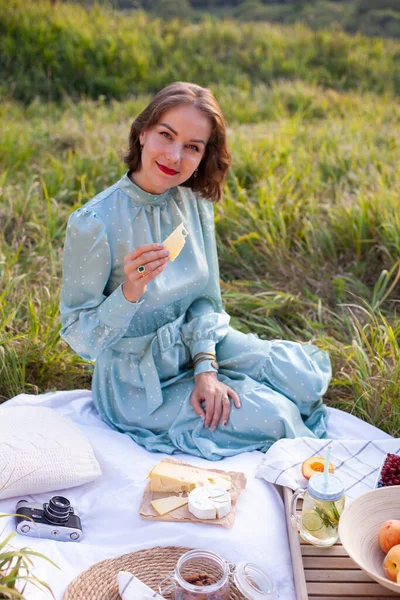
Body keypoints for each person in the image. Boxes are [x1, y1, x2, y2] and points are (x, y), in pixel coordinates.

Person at [60, 81, 331, 461]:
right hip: (137, 381)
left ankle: (230, 382)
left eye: (192, 147)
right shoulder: (93, 222)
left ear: (204, 155)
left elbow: (205, 299)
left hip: (197, 341)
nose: (174, 156)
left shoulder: (194, 204)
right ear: (142, 133)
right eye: (165, 136)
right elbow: (80, 337)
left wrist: (207, 369)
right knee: (277, 415)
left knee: (303, 379)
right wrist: (129, 292)